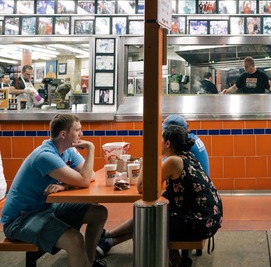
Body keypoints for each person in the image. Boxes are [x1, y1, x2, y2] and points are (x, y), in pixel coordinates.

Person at [96, 125, 222, 267]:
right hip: (209, 215)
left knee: (150, 222)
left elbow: (142, 187)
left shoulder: (173, 161)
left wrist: (148, 155)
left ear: (168, 144)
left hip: (201, 221)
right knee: (149, 215)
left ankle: (176, 261)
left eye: (160, 139)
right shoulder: (186, 156)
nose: (157, 142)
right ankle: (108, 237)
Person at [0, 114, 108, 267]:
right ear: (63, 134)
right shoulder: (45, 156)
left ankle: (89, 262)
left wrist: (65, 186)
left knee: (99, 213)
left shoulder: (67, 150)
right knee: (75, 240)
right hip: (20, 219)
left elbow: (90, 175)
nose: (81, 135)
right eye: (78, 130)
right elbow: (84, 180)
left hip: (45, 208)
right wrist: (91, 148)